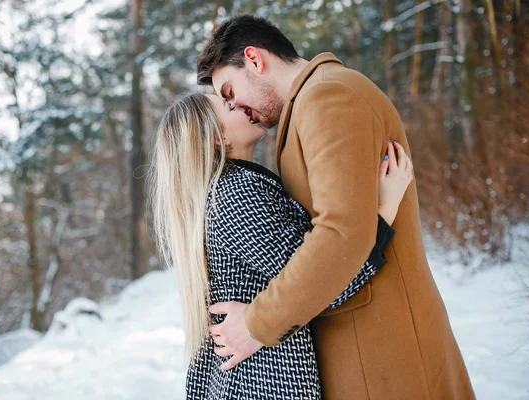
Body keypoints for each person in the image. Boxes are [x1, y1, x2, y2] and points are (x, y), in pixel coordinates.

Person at [196, 15, 475, 399]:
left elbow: (341, 234)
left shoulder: (328, 96)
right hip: (361, 345)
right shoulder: (307, 107)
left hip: (380, 348)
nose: (236, 106)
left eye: (230, 91)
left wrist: (255, 325)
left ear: (255, 60)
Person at [149, 92, 413, 399]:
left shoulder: (226, 192)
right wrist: (385, 209)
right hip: (265, 384)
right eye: (228, 106)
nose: (241, 103)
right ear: (218, 138)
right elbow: (319, 284)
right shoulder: (236, 195)